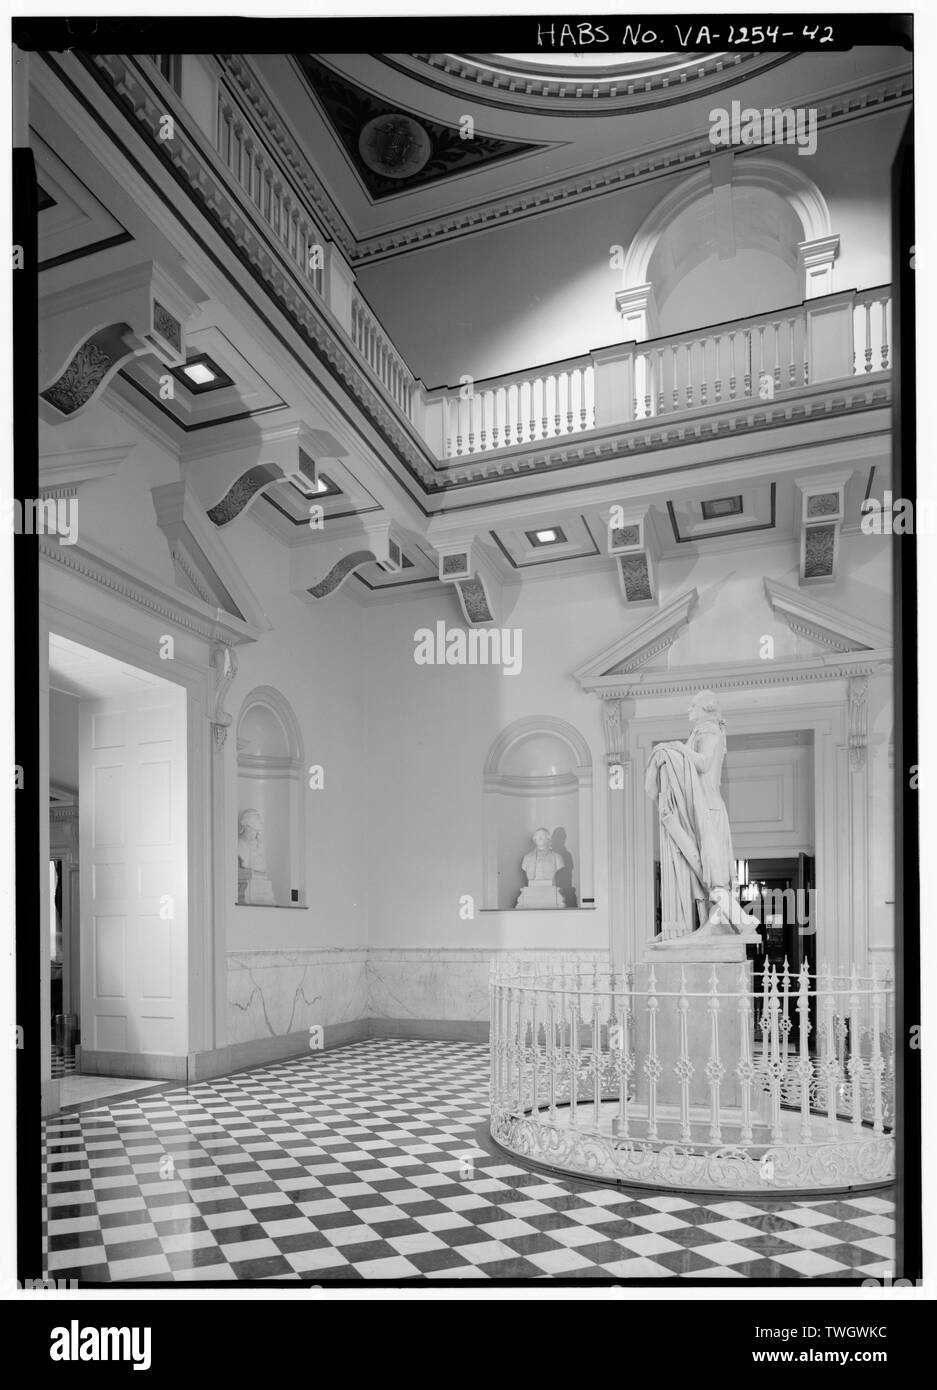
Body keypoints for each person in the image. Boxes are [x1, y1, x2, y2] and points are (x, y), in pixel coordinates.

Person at [645, 690, 759, 941]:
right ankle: (713, 922)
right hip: (702, 805)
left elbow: (704, 763)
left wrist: (675, 748)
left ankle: (730, 920)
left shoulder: (709, 730)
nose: (689, 711)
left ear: (705, 708)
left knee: (708, 866)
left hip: (707, 807)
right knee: (697, 864)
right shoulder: (702, 731)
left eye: (693, 706)